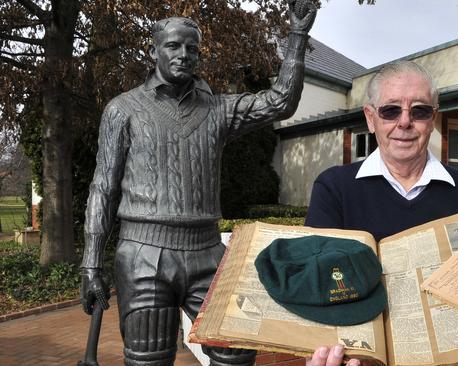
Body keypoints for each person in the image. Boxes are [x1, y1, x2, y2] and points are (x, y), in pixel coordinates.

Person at [80, 7, 316, 366]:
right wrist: (91, 265)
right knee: (148, 358)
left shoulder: (219, 110)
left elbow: (280, 102)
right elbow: (103, 189)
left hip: (208, 253)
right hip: (144, 255)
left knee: (235, 352)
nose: (183, 55)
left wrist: (297, 34)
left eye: (192, 49)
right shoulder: (122, 110)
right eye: (173, 46)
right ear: (153, 52)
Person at [304, 60, 458, 366]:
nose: (404, 122)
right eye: (391, 110)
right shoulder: (334, 188)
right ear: (370, 118)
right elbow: (318, 287)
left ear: (433, 118)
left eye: (419, 110)